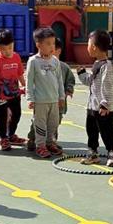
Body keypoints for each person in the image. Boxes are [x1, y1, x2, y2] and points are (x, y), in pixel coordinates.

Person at [76, 30, 113, 167]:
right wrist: (82, 74)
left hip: (103, 107)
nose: (87, 47)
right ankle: (93, 153)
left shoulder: (106, 66)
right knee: (91, 130)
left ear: (94, 47)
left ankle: (111, 154)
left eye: (88, 44)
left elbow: (108, 85)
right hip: (92, 106)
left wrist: (105, 104)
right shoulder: (96, 64)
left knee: (107, 131)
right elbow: (91, 81)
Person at [25, 27, 65, 158]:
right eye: (48, 43)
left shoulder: (55, 61)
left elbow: (59, 80)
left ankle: (49, 143)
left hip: (54, 100)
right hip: (40, 101)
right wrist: (30, 98)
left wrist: (61, 97)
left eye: (53, 43)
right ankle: (40, 146)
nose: (52, 46)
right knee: (40, 124)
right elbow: (29, 81)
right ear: (38, 45)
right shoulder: (33, 61)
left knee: (53, 124)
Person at [0, 28, 27, 151]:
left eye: (10, 47)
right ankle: (3, 138)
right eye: (4, 49)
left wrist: (25, 85)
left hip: (15, 93)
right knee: (1, 117)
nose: (8, 51)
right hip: (1, 94)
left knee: (17, 114)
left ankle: (11, 134)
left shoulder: (16, 57)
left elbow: (20, 73)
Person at [53, 39, 75, 142]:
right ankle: (33, 138)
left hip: (59, 101)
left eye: (52, 50)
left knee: (56, 120)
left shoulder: (64, 67)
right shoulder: (40, 65)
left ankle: (52, 139)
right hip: (44, 100)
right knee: (39, 120)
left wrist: (69, 90)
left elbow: (70, 80)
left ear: (58, 51)